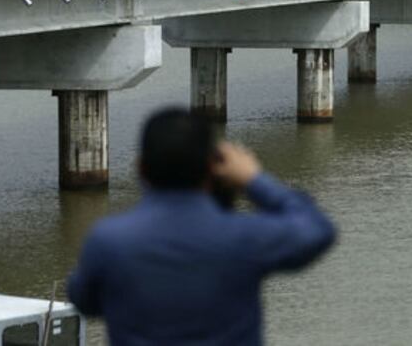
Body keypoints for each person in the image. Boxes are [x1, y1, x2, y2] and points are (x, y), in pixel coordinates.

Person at [67, 107, 336, 346]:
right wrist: (253, 179)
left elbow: (85, 300)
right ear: (212, 168)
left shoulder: (108, 241)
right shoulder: (242, 236)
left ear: (140, 168)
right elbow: (316, 229)